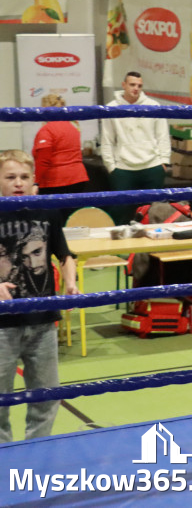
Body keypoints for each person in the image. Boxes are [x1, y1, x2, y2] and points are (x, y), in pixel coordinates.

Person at [0, 149, 78, 444]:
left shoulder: (47, 212)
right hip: (3, 324)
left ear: (34, 179)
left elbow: (65, 254)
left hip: (43, 320)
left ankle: (36, 452)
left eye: (24, 176)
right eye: (10, 177)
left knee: (47, 397)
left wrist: (70, 283)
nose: (18, 182)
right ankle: (5, 460)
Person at [100, 72, 170, 224]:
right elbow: (107, 140)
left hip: (152, 166)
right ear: (123, 85)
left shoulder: (153, 106)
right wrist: (111, 166)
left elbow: (163, 136)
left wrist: (164, 162)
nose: (136, 88)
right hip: (123, 169)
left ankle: (153, 246)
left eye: (139, 85)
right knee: (121, 213)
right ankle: (120, 247)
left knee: (154, 212)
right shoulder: (111, 108)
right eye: (132, 85)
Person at [32, 94, 89, 214]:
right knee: (72, 218)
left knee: (54, 219)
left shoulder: (46, 130)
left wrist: (35, 182)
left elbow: (43, 160)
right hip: (78, 178)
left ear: (44, 109)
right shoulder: (73, 126)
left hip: (56, 181)